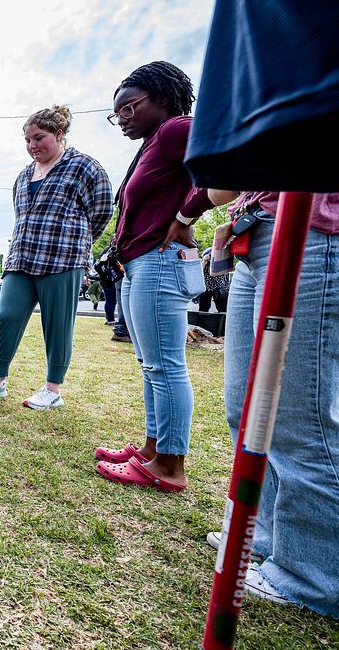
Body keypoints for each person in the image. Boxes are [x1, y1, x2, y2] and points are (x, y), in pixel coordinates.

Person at [202, 188, 339, 614]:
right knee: (244, 407)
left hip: (315, 228)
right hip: (255, 232)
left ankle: (314, 577)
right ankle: (263, 539)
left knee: (297, 421)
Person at [94, 61, 214, 492]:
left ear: (162, 98)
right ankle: (151, 449)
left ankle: (170, 464)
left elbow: (226, 166)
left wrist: (186, 215)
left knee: (165, 365)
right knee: (150, 365)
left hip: (161, 261)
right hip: (138, 262)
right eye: (117, 114)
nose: (122, 119)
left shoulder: (177, 129)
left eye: (129, 107)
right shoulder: (152, 143)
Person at [0, 106, 112, 410]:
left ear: (58, 135)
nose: (33, 145)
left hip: (63, 259)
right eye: (28, 140)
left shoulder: (85, 167)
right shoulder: (23, 175)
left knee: (57, 325)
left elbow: (102, 211)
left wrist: (78, 241)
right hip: (21, 258)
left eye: (39, 137)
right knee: (7, 316)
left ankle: (52, 389)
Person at [197, 248, 230, 312]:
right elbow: (199, 271)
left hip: (220, 287)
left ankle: (222, 321)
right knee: (203, 308)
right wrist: (204, 261)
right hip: (206, 286)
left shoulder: (223, 259)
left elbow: (225, 273)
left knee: (222, 308)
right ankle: (202, 321)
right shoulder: (205, 259)